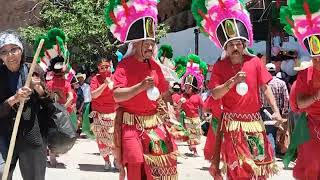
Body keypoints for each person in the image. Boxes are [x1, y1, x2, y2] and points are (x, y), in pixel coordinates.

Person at [192, 0, 281, 178]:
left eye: (238, 43)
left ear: (244, 44)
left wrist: (276, 112)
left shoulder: (254, 62)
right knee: (238, 168)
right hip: (232, 125)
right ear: (225, 46)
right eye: (231, 44)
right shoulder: (219, 66)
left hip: (255, 124)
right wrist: (231, 82)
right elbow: (216, 94)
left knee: (259, 168)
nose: (235, 47)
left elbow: (265, 88)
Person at [105, 0, 178, 179]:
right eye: (146, 42)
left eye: (152, 42)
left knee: (161, 164)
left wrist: (173, 101)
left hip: (153, 122)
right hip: (131, 124)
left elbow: (162, 92)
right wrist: (140, 87)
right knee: (135, 162)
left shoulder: (155, 66)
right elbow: (116, 95)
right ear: (135, 44)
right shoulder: (124, 65)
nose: (151, 46)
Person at [0, 30, 49, 180]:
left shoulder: (33, 69)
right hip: (4, 135)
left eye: (14, 49)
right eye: (4, 51)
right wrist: (14, 99)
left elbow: (49, 103)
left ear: (21, 50)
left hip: (31, 133)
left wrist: (38, 88)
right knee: (2, 173)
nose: (10, 55)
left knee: (34, 177)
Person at [280, 0, 320, 178]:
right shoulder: (306, 74)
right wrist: (316, 97)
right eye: (315, 58)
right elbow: (299, 103)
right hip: (312, 127)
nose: (317, 62)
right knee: (312, 166)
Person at [172, 54, 207, 157]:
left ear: (193, 88)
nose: (187, 88)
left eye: (189, 87)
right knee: (189, 135)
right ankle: (193, 148)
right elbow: (176, 108)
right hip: (186, 119)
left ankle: (193, 147)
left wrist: (204, 114)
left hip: (196, 119)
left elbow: (203, 106)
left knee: (195, 135)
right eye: (186, 86)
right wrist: (180, 103)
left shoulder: (197, 97)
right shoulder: (181, 96)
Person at [90, 57, 117, 170]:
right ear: (98, 68)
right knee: (101, 139)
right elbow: (94, 95)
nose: (105, 69)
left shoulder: (115, 77)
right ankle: (106, 161)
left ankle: (116, 159)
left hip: (113, 113)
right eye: (102, 68)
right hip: (99, 114)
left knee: (115, 139)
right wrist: (105, 84)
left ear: (110, 66)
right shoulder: (95, 79)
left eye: (107, 67)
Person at [260, 63, 290, 155]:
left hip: (264, 110)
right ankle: (273, 152)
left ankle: (270, 154)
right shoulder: (281, 83)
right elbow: (286, 98)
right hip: (277, 110)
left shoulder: (262, 83)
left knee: (268, 132)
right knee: (275, 132)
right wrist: (284, 112)